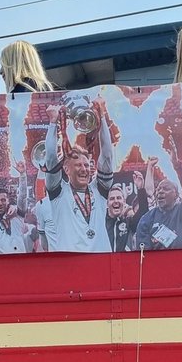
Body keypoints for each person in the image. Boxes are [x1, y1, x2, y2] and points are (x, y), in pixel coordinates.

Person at [43, 101, 114, 253]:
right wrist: (53, 122)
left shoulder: (99, 190)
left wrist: (101, 117)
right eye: (78, 165)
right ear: (66, 169)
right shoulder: (59, 193)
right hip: (70, 264)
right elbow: (50, 158)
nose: (84, 169)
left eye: (86, 165)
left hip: (101, 261)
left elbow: (107, 155)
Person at [135, 138, 182, 251]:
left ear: (176, 195)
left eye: (166, 189)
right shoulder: (147, 219)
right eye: (158, 189)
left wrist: (177, 167)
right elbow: (143, 252)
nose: (160, 191)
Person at [0, 163, 28, 255]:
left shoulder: (18, 214)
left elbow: (23, 196)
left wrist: (23, 175)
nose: (0, 203)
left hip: (20, 261)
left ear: (8, 201)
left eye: (3, 200)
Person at [105, 176, 148, 252]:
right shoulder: (100, 222)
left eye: (119, 198)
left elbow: (143, 213)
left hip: (125, 262)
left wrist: (141, 189)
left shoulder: (128, 222)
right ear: (107, 203)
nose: (116, 201)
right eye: (112, 198)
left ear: (124, 202)